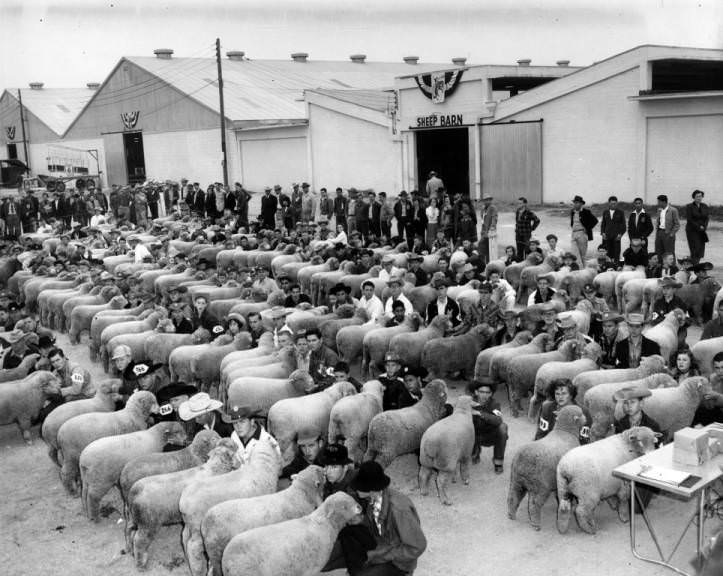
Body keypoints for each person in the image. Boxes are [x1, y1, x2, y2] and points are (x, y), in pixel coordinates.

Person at [347, 461, 427, 576]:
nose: (356, 489)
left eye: (359, 487)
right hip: (383, 546)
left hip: (398, 562)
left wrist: (384, 555)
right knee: (349, 533)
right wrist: (362, 521)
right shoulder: (373, 498)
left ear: (371, 489)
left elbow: (418, 546)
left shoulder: (399, 510)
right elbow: (378, 526)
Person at [467, 378, 507, 474]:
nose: (485, 395)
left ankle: (498, 462)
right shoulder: (468, 402)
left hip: (488, 436)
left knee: (503, 427)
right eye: (482, 392)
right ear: (476, 392)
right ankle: (474, 452)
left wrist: (479, 413)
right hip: (472, 436)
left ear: (490, 394)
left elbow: (498, 420)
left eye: (487, 392)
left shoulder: (494, 404)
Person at [535, 379, 592, 444]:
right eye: (557, 394)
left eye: (564, 393)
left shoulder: (583, 411)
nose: (560, 397)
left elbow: (584, 439)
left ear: (571, 395)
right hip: (551, 444)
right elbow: (541, 433)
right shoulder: (547, 408)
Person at [692, 352, 723, 426]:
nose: (720, 371)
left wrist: (717, 396)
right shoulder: (713, 377)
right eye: (717, 368)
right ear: (713, 368)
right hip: (716, 410)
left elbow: (716, 397)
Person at [570, 195, 598, 263]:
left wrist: (587, 228)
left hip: (582, 234)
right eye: (574, 202)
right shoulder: (572, 212)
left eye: (577, 203)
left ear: (581, 204)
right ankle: (578, 268)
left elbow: (595, 221)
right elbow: (572, 222)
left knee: (582, 255)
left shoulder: (586, 212)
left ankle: (583, 270)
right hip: (574, 234)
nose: (575, 204)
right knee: (574, 253)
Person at [685, 189, 709, 265]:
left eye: (700, 196)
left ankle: (696, 265)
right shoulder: (689, 206)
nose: (699, 198)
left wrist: (704, 227)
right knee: (694, 249)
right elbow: (689, 219)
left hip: (702, 231)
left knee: (700, 250)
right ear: (694, 197)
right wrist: (699, 227)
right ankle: (694, 267)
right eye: (697, 196)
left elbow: (707, 218)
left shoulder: (704, 206)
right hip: (692, 231)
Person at [600, 195, 626, 264]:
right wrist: (602, 233)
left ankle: (616, 267)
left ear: (617, 203)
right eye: (612, 203)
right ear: (609, 203)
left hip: (616, 237)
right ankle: (607, 269)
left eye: (615, 203)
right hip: (607, 237)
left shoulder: (620, 212)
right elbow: (603, 224)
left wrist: (620, 234)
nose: (613, 205)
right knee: (607, 254)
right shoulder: (605, 212)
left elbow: (623, 226)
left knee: (616, 255)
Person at [654, 194, 680, 259]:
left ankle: (672, 268)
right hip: (659, 232)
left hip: (668, 233)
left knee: (669, 252)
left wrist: (671, 234)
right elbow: (658, 222)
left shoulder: (673, 210)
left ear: (664, 202)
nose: (658, 203)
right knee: (658, 251)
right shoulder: (659, 210)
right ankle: (660, 267)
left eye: (659, 202)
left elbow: (677, 224)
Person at [479, 194, 498, 265]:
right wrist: (483, 210)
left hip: (489, 231)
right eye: (485, 200)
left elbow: (494, 218)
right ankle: (486, 263)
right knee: (485, 249)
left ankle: (490, 263)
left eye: (488, 200)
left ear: (490, 200)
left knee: (487, 248)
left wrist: (492, 227)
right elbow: (482, 218)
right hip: (483, 231)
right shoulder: (483, 208)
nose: (486, 201)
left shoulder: (493, 208)